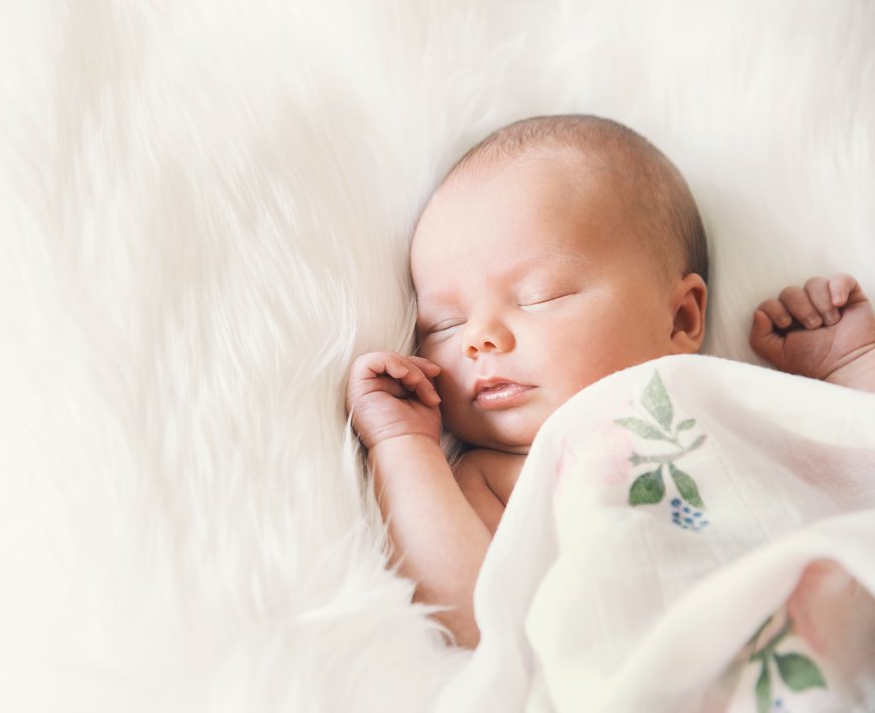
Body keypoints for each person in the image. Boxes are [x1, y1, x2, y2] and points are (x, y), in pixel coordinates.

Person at [344, 114, 875, 649]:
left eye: (542, 295)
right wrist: (402, 446)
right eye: (444, 325)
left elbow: (859, 472)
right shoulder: (499, 477)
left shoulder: (725, 397)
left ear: (682, 319)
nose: (477, 339)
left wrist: (851, 364)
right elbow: (469, 615)